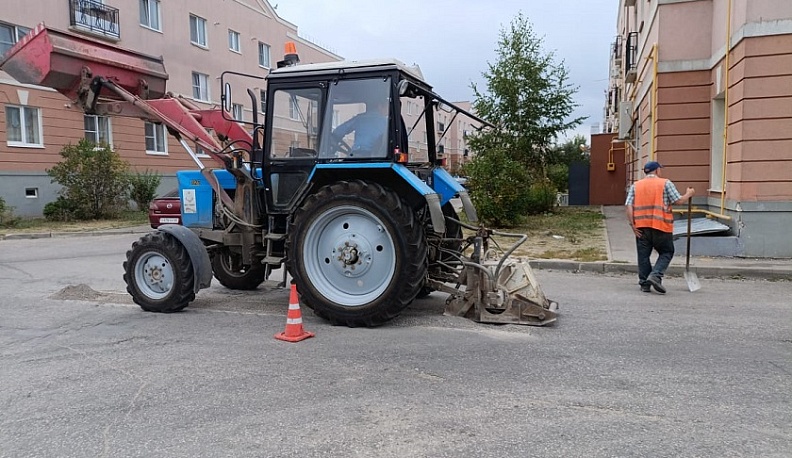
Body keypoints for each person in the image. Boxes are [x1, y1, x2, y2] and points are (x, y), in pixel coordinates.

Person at [625, 161, 695, 294]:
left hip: (641, 227)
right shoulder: (665, 183)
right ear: (657, 171)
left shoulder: (636, 185)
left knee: (643, 255)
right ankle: (655, 275)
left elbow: (629, 206)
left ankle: (645, 284)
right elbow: (678, 201)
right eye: (660, 169)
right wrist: (689, 194)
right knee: (667, 252)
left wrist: (632, 225)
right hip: (661, 225)